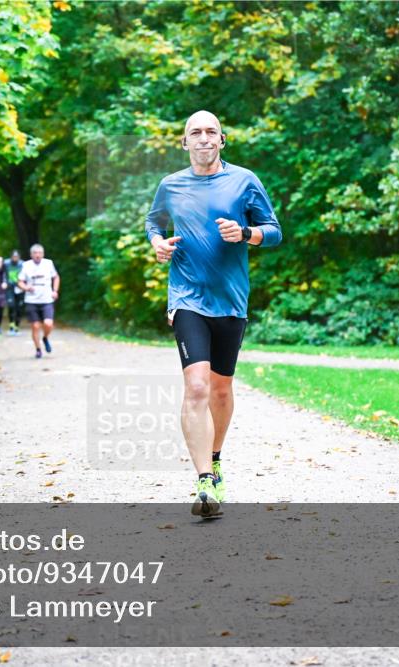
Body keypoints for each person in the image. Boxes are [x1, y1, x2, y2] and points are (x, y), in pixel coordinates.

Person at [144, 110, 282, 518]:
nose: (203, 138)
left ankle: (216, 456)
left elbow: (273, 230)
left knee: (221, 389)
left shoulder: (244, 181)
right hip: (187, 298)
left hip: (231, 301)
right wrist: (157, 242)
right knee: (198, 387)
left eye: (211, 132)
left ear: (222, 140)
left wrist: (245, 233)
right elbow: (154, 221)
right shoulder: (170, 185)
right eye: (195, 133)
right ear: (184, 143)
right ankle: (204, 481)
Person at [17, 243, 60, 359]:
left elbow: (56, 277)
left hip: (46, 299)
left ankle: (45, 337)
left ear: (43, 254)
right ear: (31, 255)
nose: (38, 255)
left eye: (40, 253)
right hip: (32, 300)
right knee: (35, 326)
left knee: (48, 323)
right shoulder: (26, 265)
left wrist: (55, 291)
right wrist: (26, 288)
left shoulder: (48, 263)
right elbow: (20, 281)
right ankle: (38, 349)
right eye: (35, 253)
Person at [3, 250, 24, 336]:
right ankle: (11, 327)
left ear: (19, 257)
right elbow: (3, 274)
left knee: (19, 308)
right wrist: (4, 282)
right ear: (11, 257)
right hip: (10, 288)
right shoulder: (6, 263)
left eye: (16, 257)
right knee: (11, 306)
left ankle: (17, 327)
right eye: (13, 257)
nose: (15, 258)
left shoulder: (23, 264)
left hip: (20, 288)